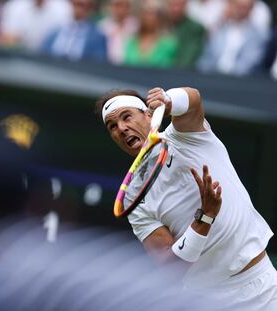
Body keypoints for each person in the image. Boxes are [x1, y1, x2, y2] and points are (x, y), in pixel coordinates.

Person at [96, 86, 277, 309]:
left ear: (149, 115)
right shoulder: (133, 195)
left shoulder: (185, 135)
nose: (121, 128)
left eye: (127, 117)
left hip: (264, 285)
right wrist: (204, 219)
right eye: (112, 126)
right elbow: (168, 265)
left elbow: (193, 100)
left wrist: (169, 99)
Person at [41, 0, 107, 62]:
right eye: (76, 4)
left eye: (83, 6)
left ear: (90, 9)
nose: (79, 9)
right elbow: (43, 53)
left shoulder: (97, 37)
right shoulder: (56, 30)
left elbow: (97, 62)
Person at [123, 0, 178, 68]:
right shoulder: (131, 42)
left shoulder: (168, 44)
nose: (146, 17)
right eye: (144, 13)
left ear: (159, 17)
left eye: (151, 13)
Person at [167, 0, 205, 68]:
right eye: (172, 5)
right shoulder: (160, 25)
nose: (176, 9)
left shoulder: (195, 29)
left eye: (179, 5)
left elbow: (187, 59)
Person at [98, 0, 138, 65]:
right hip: (107, 66)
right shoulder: (102, 26)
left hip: (129, 66)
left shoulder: (135, 26)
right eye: (118, 5)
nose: (121, 8)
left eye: (125, 5)